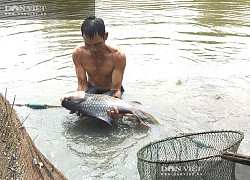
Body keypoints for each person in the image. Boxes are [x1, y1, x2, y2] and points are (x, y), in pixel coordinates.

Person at [72, 15, 126, 117]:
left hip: (110, 91)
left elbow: (115, 88)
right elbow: (82, 83)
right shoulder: (78, 54)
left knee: (115, 117)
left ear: (105, 36)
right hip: (91, 89)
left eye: (97, 45)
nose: (93, 50)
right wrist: (80, 103)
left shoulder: (117, 56)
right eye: (88, 45)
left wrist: (114, 105)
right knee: (81, 117)